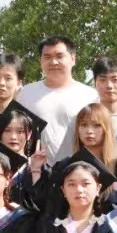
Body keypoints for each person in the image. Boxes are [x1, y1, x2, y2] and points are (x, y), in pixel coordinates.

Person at [16, 36, 99, 164]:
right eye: (47, 57)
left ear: (73, 59)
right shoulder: (25, 94)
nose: (53, 62)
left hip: (78, 169)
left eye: (60, 56)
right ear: (41, 61)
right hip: (36, 170)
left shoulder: (91, 96)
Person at [57, 57, 117, 164]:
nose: (109, 86)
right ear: (95, 83)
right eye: (103, 80)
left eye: (115, 80)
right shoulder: (80, 120)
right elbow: (63, 161)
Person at [52, 104, 117, 216]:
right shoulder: (64, 167)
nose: (89, 131)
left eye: (97, 126)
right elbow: (55, 208)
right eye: (83, 125)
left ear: (106, 129)